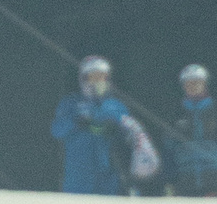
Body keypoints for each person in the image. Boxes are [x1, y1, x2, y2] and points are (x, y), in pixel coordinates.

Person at [52, 57, 157, 195]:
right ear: (83, 79)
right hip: (78, 175)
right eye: (92, 77)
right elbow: (56, 130)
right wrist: (76, 121)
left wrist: (117, 129)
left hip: (108, 174)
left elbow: (132, 132)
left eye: (101, 77)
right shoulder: (71, 103)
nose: (96, 82)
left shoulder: (115, 106)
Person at [167, 63, 217, 196]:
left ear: (204, 84)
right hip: (185, 177)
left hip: (213, 176)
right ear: (183, 86)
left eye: (197, 82)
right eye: (188, 83)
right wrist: (168, 179)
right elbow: (169, 148)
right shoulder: (176, 113)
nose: (193, 86)